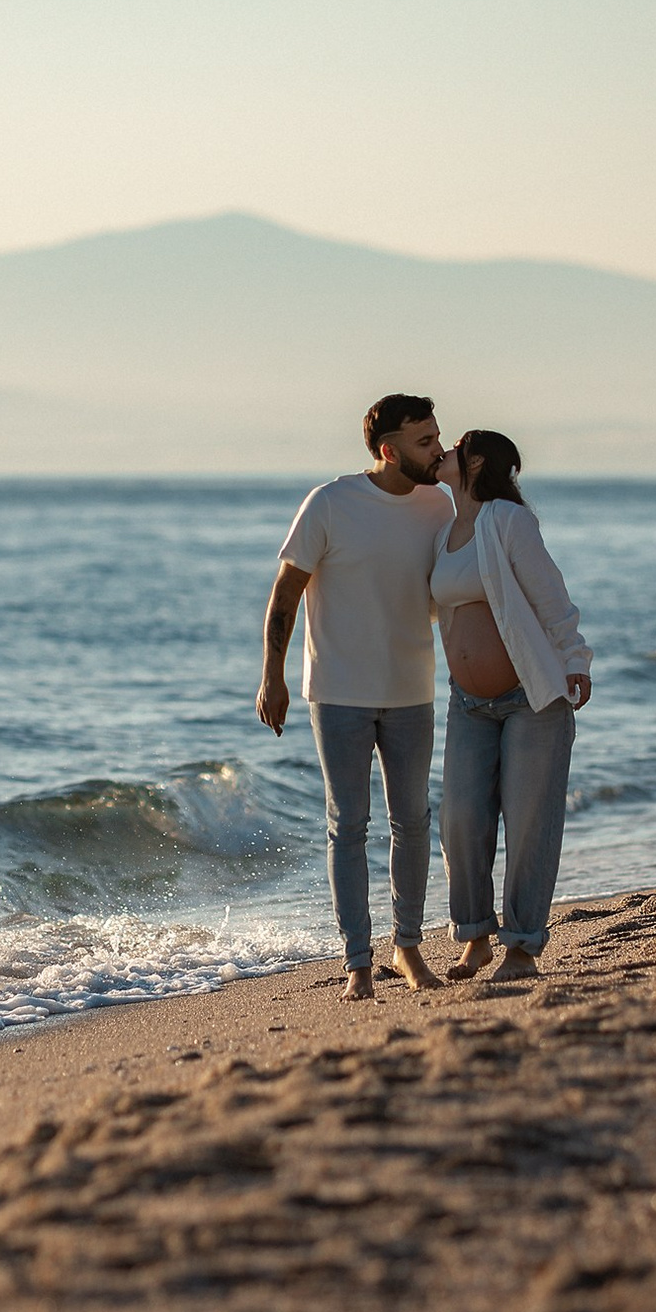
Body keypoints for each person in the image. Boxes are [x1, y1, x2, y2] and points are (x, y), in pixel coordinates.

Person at [259, 394, 453, 1001]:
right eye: (425, 442)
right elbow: (285, 593)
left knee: (413, 822)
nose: (438, 450)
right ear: (389, 449)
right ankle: (358, 961)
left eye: (438, 437)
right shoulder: (331, 503)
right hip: (338, 691)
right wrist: (273, 676)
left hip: (411, 687)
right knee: (348, 825)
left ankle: (409, 947)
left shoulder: (438, 504)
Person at [431, 429, 592, 982]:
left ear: (474, 461)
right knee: (460, 820)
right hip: (467, 703)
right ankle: (474, 934)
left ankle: (521, 948)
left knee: (529, 824)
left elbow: (551, 595)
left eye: (451, 447)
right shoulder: (441, 530)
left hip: (530, 698)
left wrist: (575, 659)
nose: (441, 454)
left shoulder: (508, 520)